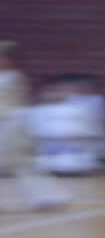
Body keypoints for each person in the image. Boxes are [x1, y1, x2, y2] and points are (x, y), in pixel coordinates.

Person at [0, 42, 71, 211]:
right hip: (8, 126)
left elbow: (13, 106)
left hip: (11, 126)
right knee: (24, 166)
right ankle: (49, 197)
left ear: (7, 60)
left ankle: (50, 197)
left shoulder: (13, 78)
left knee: (25, 165)